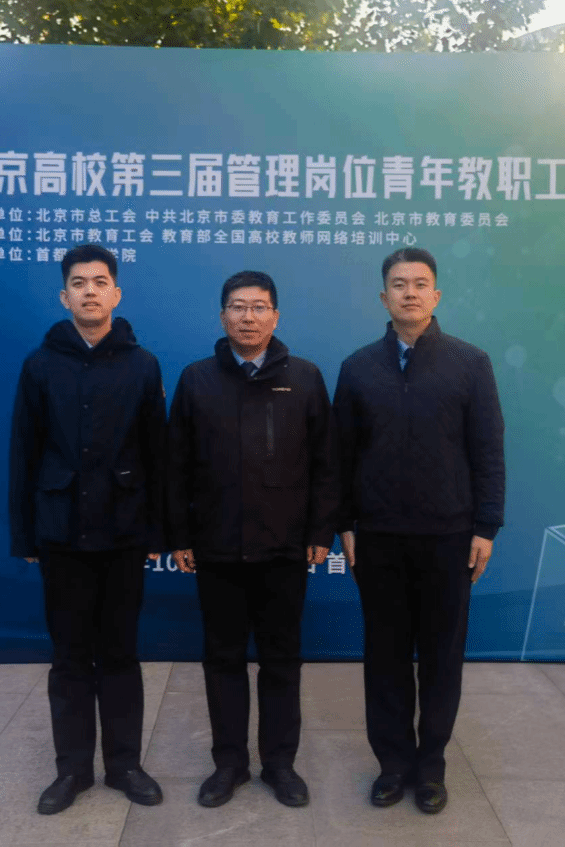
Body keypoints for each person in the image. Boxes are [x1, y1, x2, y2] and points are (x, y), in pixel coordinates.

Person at [333, 247, 505, 815]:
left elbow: (488, 450)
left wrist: (485, 525)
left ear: (436, 295)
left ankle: (431, 767)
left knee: (440, 657)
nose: (410, 292)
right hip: (378, 537)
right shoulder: (358, 367)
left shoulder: (469, 363)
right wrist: (344, 522)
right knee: (384, 656)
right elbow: (341, 455)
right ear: (383, 297)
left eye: (420, 283)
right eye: (399, 283)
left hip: (449, 537)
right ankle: (392, 766)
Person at [166, 270, 337, 809]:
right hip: (217, 547)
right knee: (223, 660)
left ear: (275, 317)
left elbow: (326, 463)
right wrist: (179, 534)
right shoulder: (197, 379)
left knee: (282, 660)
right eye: (238, 307)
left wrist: (320, 530)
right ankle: (229, 765)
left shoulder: (305, 377)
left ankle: (280, 764)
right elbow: (175, 466)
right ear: (222, 317)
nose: (248, 317)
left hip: (284, 548)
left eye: (259, 307)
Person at [9, 244, 165, 814]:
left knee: (120, 654)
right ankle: (72, 770)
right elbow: (23, 453)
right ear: (64, 296)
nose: (90, 291)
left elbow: (157, 453)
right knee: (71, 657)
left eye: (100, 282)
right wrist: (25, 535)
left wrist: (159, 532)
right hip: (61, 533)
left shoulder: (142, 364)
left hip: (124, 531)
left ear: (116, 294)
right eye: (79, 283)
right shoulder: (40, 364)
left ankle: (124, 765)